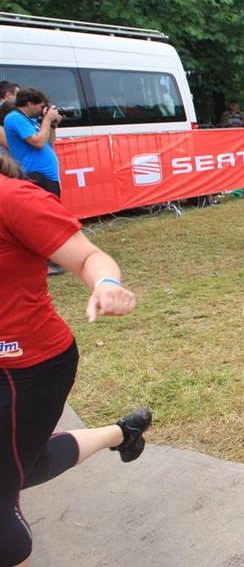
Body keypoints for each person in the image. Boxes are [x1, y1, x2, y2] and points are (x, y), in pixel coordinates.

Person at [0, 152, 152, 566]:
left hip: (26, 370)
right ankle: (121, 434)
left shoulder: (14, 199)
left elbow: (89, 257)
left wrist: (105, 284)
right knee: (24, 465)